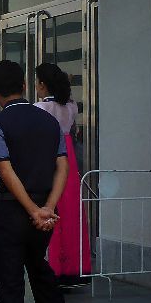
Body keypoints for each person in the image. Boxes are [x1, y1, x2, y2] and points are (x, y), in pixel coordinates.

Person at [0, 60, 76, 303]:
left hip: (12, 211)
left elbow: (5, 172)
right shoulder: (49, 122)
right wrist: (47, 207)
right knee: (38, 266)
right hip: (43, 212)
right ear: (24, 86)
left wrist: (31, 209)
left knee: (11, 287)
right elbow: (62, 167)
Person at [35, 62, 91, 285]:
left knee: (52, 206)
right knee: (71, 210)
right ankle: (75, 267)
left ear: (42, 85)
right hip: (69, 158)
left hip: (50, 156)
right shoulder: (71, 106)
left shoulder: (40, 108)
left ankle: (55, 268)